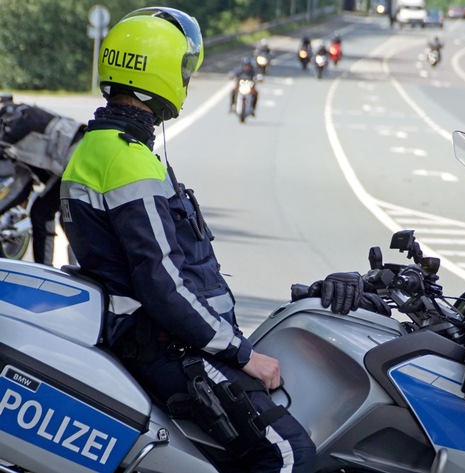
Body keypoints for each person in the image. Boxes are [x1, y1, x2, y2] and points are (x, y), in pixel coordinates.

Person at [59, 7, 320, 472]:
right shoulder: (127, 160)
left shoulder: (98, 146)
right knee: (287, 452)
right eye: (181, 69)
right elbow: (163, 281)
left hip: (157, 339)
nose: (184, 79)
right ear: (155, 68)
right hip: (168, 347)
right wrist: (240, 353)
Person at [0, 92, 85, 264]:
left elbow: (20, 184)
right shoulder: (17, 116)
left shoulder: (11, 128)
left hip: (76, 163)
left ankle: (82, 275)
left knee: (67, 219)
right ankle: (47, 271)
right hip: (68, 161)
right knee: (43, 213)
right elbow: (22, 180)